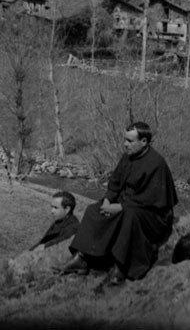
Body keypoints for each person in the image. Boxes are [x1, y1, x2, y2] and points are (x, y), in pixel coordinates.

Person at [59, 121, 177, 284]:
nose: (125, 144)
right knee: (94, 210)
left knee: (129, 216)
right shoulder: (127, 157)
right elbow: (115, 183)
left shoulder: (157, 164)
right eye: (125, 140)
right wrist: (107, 201)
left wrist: (119, 207)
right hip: (129, 204)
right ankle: (82, 258)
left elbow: (152, 200)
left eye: (130, 141)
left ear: (144, 142)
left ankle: (121, 267)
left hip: (154, 215)